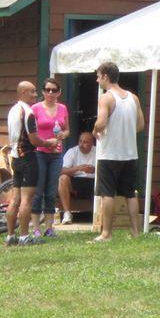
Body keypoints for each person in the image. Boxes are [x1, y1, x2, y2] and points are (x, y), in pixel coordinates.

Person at [93, 61, 145, 242]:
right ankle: (135, 232)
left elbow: (101, 122)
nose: (97, 80)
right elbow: (140, 125)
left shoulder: (106, 98)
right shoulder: (133, 97)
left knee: (107, 194)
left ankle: (106, 233)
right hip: (130, 153)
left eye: (98, 76)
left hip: (110, 154)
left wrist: (95, 129)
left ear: (106, 77)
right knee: (130, 194)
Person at [30, 77, 68, 238]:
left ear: (59, 92)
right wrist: (46, 142)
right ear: (43, 92)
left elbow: (67, 131)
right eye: (47, 90)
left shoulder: (62, 108)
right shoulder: (35, 108)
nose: (51, 93)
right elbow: (31, 132)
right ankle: (36, 227)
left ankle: (50, 227)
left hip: (56, 154)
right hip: (39, 152)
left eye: (54, 90)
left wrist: (62, 135)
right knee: (38, 191)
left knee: (51, 192)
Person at [6, 81, 39, 246]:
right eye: (33, 92)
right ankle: (24, 236)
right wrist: (49, 142)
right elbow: (33, 139)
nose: (36, 95)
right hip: (27, 157)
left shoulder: (12, 110)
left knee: (15, 199)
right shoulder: (28, 112)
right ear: (24, 92)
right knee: (27, 199)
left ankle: (10, 236)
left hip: (15, 157)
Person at [57, 131, 96, 224]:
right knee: (63, 178)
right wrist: (78, 168)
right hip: (76, 182)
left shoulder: (98, 151)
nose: (82, 144)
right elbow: (61, 171)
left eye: (85, 142)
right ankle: (67, 214)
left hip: (93, 182)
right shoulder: (73, 151)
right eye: (80, 141)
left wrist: (94, 170)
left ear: (92, 143)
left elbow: (105, 170)